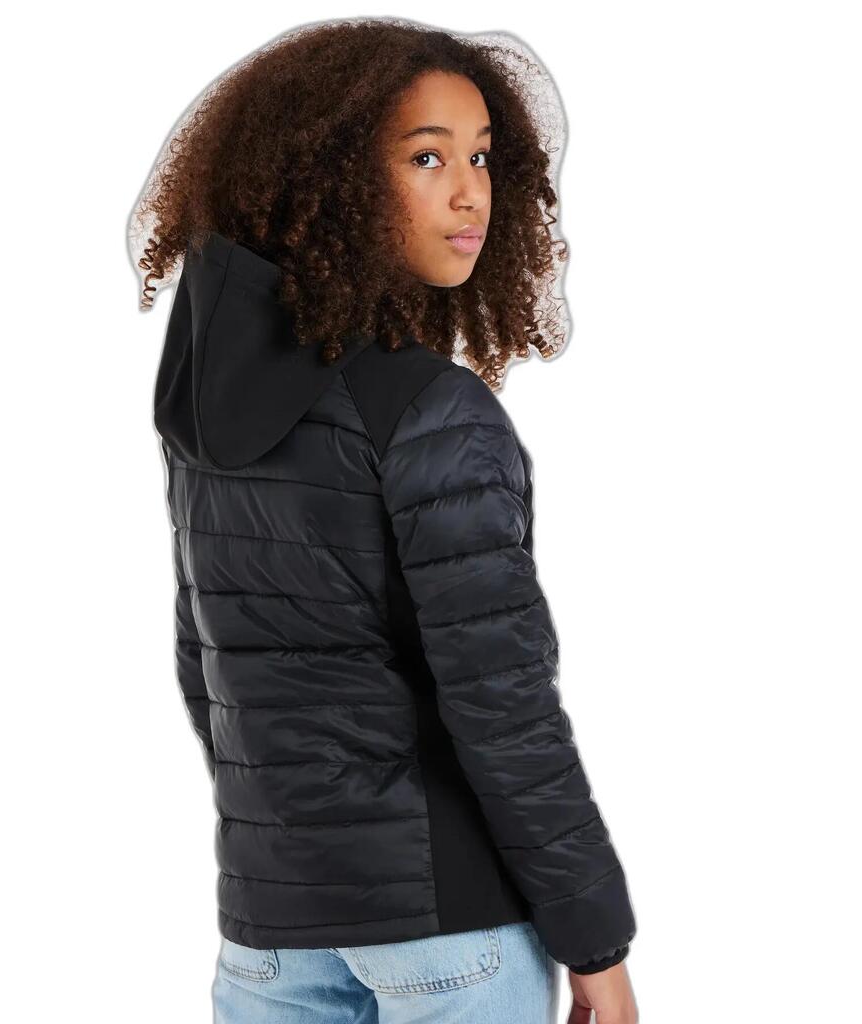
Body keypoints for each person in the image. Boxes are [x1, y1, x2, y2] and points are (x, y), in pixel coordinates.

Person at [132, 18, 638, 1024]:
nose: (471, 193)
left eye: (482, 156)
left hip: (268, 934)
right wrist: (596, 943)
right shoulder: (430, 412)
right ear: (331, 182)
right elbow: (504, 707)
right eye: (426, 157)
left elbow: (208, 669)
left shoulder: (204, 419)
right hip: (447, 931)